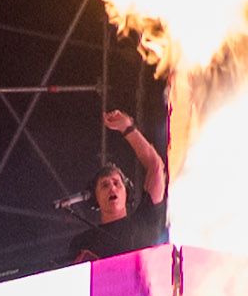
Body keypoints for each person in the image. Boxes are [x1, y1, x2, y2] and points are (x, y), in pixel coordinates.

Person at [67, 109, 173, 262]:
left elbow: (155, 166)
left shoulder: (144, 221)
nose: (112, 188)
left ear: (126, 192)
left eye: (117, 183)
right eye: (104, 185)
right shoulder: (83, 242)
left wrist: (128, 128)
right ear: (94, 197)